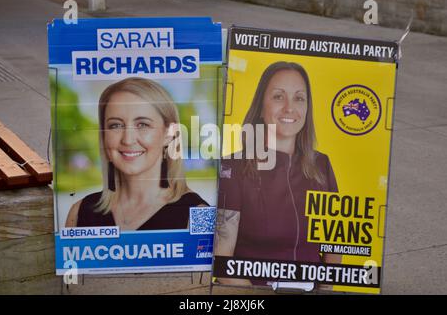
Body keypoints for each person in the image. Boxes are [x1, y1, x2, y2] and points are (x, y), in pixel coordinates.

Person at [215, 61, 341, 287]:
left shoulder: (322, 165)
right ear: (261, 108)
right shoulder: (233, 167)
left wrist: (325, 290)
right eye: (278, 97)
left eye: (299, 98)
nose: (289, 108)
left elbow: (333, 246)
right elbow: (222, 258)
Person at [66, 77, 208, 230]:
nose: (128, 140)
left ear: (169, 134)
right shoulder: (79, 212)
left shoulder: (199, 215)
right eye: (115, 125)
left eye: (142, 124)